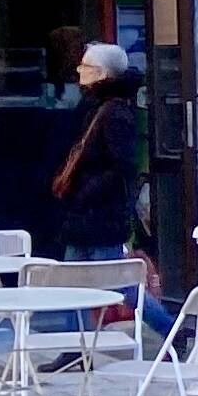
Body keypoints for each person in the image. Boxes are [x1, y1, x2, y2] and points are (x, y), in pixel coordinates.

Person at [47, 43, 139, 264]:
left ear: (101, 73)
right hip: (88, 215)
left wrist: (85, 193)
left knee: (113, 285)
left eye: (85, 66)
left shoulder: (112, 112)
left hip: (100, 215)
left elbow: (120, 165)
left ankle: (153, 302)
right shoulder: (97, 107)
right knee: (81, 283)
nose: (79, 70)